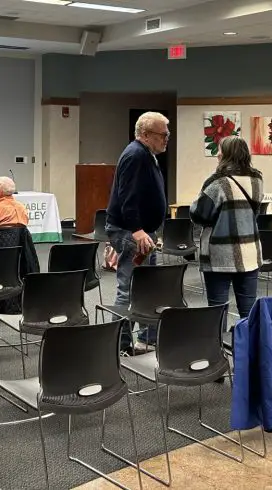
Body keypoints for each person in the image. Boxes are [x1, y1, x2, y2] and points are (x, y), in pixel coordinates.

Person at [105, 111, 169, 353]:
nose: (166, 138)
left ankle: (146, 339)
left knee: (146, 287)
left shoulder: (146, 154)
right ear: (145, 134)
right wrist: (138, 229)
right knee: (130, 289)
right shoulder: (135, 155)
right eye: (162, 134)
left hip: (142, 232)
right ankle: (119, 345)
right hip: (131, 233)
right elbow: (127, 196)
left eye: (167, 134)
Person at [190, 136, 264, 318]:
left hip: (220, 254)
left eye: (220, 150)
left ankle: (218, 345)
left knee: (217, 309)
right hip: (249, 251)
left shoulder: (218, 182)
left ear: (227, 154)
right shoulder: (257, 180)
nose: (218, 154)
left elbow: (198, 213)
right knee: (248, 311)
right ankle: (247, 345)